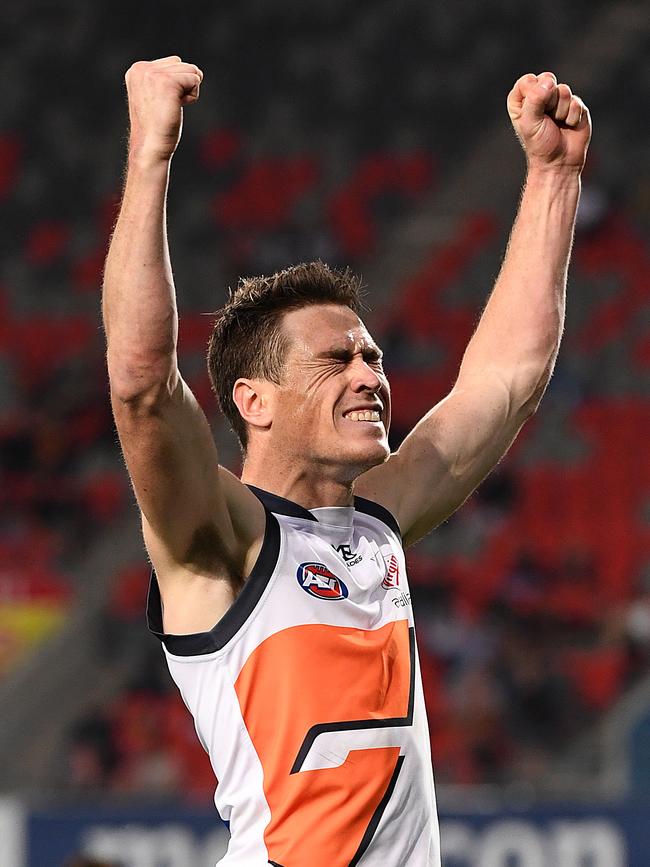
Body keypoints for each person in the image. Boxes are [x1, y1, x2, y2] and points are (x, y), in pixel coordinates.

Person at [102, 56, 591, 866]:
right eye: (337, 361)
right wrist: (151, 152)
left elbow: (507, 380)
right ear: (253, 401)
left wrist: (554, 176)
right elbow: (143, 387)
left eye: (372, 356)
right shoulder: (222, 543)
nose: (370, 376)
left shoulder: (379, 520)